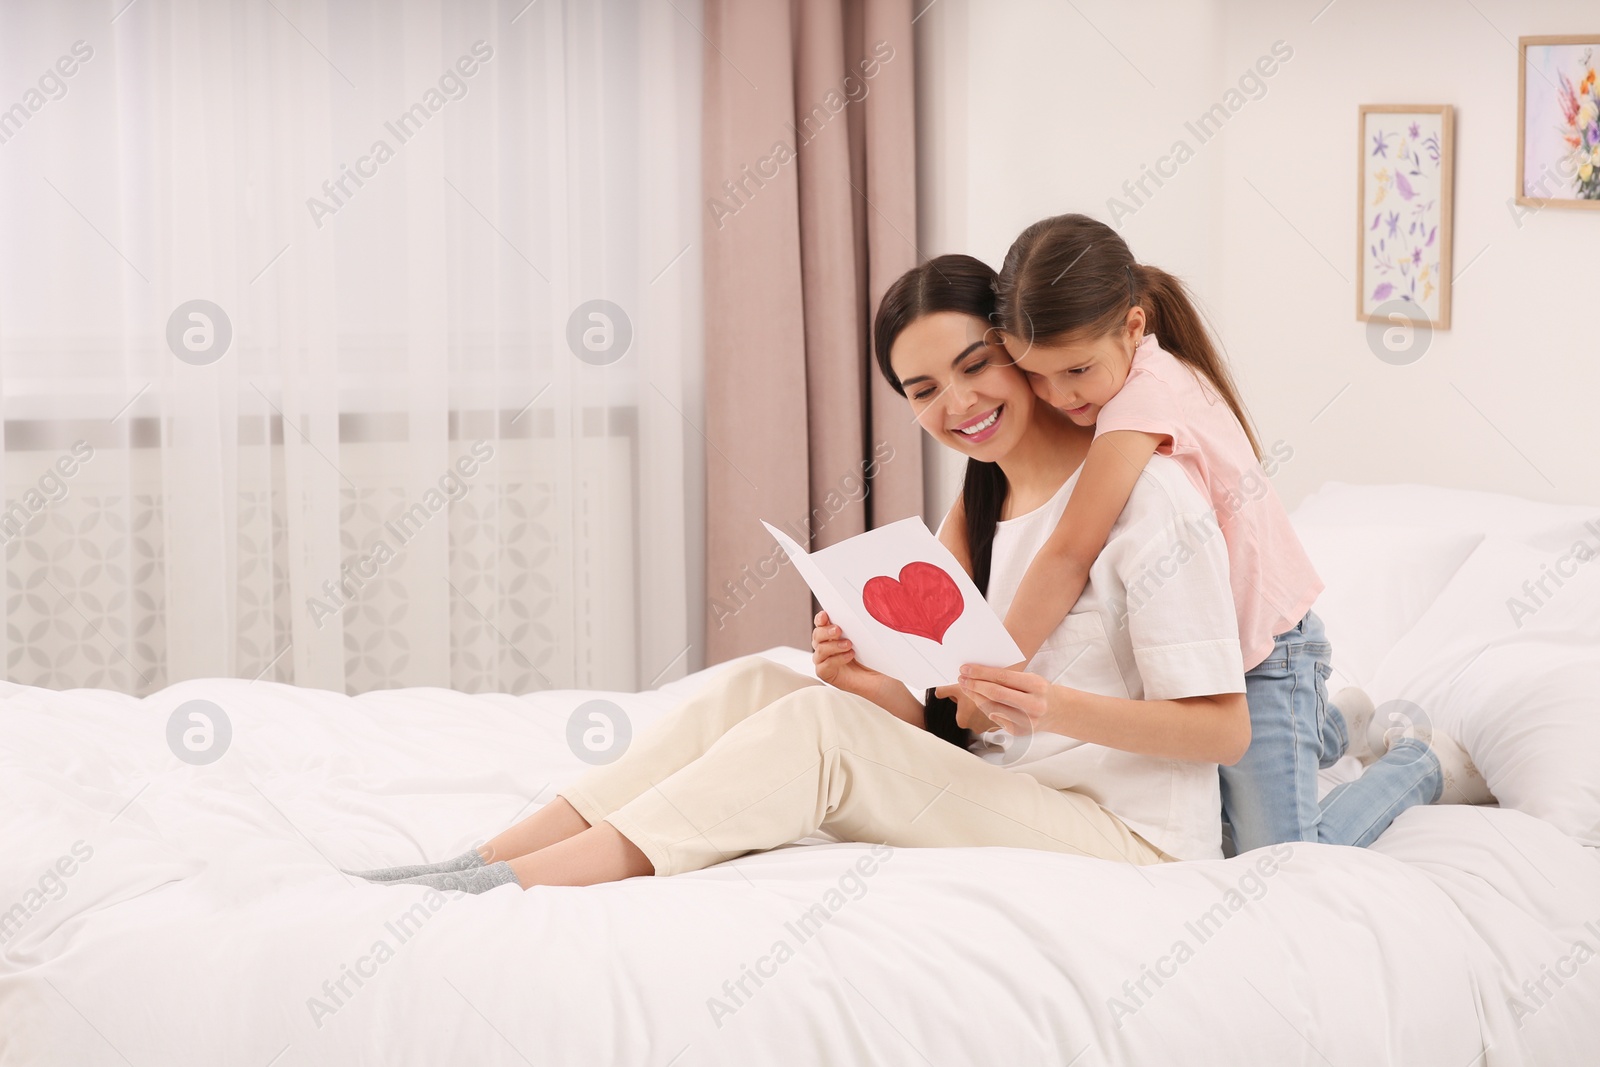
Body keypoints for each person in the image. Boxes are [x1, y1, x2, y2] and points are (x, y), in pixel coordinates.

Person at [341, 253, 1250, 893]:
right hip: (1021, 792)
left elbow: (1221, 731)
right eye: (924, 390)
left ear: (1022, 347)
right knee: (760, 685)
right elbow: (960, 722)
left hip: (1134, 846)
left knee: (819, 731)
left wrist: (1051, 708)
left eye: (976, 366)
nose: (959, 404)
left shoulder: (1150, 494)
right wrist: (865, 679)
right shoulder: (979, 504)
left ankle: (515, 888)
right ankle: (483, 857)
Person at [964, 213, 1488, 853]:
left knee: (1281, 854)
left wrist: (994, 670)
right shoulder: (1135, 378)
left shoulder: (1140, 405)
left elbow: (1071, 550)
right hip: (1224, 649)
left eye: (1075, 371)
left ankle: (1419, 763)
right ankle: (1328, 728)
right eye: (1035, 375)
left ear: (1134, 325)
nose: (1055, 395)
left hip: (1269, 656)